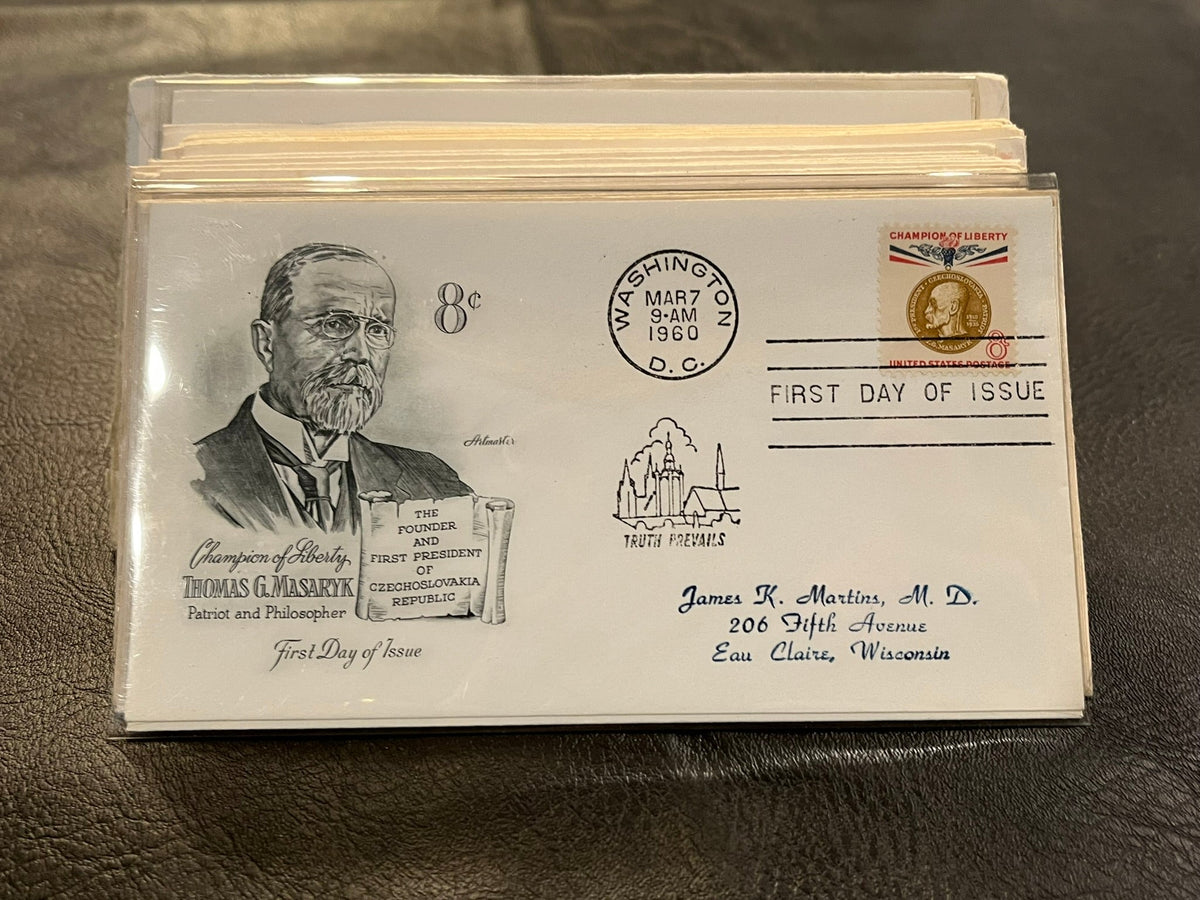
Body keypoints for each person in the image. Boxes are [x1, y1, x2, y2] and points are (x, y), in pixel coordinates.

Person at [193, 243, 470, 532]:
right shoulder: (188, 477)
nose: (360, 353)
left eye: (377, 329)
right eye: (335, 324)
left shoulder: (436, 484)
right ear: (266, 343)